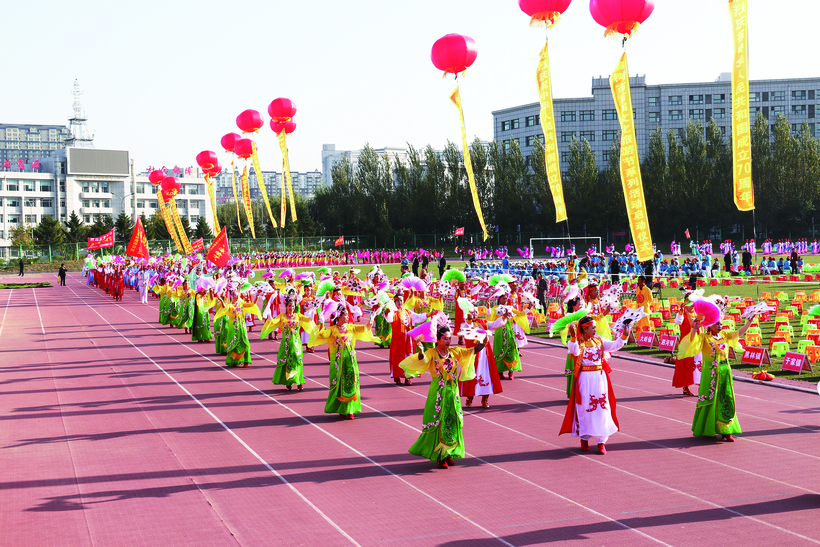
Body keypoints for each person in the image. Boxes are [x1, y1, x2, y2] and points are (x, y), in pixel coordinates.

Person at [400, 325, 485, 468]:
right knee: (439, 422)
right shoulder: (432, 353)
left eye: (449, 338)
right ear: (438, 339)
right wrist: (420, 351)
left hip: (452, 393)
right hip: (438, 394)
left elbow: (471, 352)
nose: (448, 341)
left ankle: (449, 452)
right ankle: (440, 456)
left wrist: (483, 342)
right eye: (445, 338)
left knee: (452, 421)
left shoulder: (454, 351)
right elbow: (423, 359)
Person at [559, 315, 630, 455]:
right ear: (585, 329)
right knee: (586, 408)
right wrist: (573, 337)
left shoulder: (599, 341)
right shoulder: (578, 342)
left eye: (595, 327)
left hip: (600, 378)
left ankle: (601, 442)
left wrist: (625, 332)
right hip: (585, 379)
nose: (595, 329)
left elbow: (615, 345)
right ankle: (584, 438)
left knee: (602, 407)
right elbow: (574, 351)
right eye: (592, 327)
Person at [682, 313, 754, 441]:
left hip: (725, 372)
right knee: (711, 399)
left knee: (726, 398)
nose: (720, 326)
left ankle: (727, 430)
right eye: (717, 324)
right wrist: (694, 328)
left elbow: (739, 332)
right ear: (709, 325)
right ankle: (708, 428)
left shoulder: (725, 335)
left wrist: (749, 322)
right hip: (711, 374)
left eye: (721, 323)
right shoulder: (704, 338)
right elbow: (692, 341)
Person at [309, 307, 378, 419]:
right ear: (339, 317)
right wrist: (322, 322)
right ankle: (341, 408)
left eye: (347, 314)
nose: (347, 317)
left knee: (351, 383)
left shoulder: (351, 328)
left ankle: (350, 410)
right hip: (338, 363)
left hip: (350, 362)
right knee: (339, 383)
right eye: (345, 315)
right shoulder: (332, 330)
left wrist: (372, 319)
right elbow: (321, 335)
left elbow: (366, 328)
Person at [263, 296, 315, 391]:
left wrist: (313, 312)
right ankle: (288, 382)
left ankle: (299, 381)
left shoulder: (298, 316)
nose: (291, 308)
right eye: (290, 306)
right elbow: (273, 322)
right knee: (287, 361)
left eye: (293, 306)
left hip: (296, 343)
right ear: (286, 307)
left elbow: (309, 320)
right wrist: (269, 314)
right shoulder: (282, 317)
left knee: (297, 360)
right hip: (286, 344)